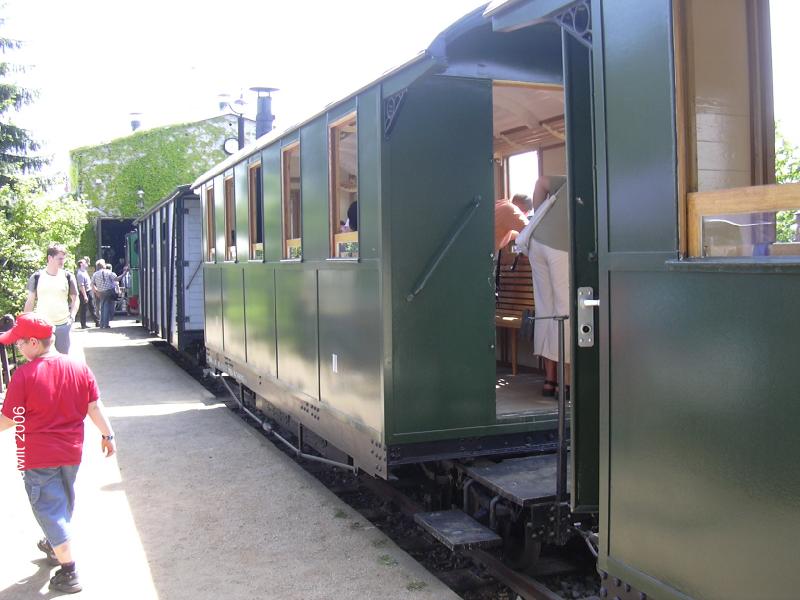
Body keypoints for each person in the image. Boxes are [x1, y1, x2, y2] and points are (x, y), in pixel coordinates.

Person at [0, 313, 116, 594]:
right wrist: (108, 434)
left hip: (37, 455)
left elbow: (8, 418)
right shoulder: (79, 368)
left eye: (19, 344)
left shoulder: (25, 376)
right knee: (62, 501)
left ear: (33, 343)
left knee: (48, 508)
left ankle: (69, 570)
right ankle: (55, 544)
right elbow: (94, 407)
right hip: (71, 453)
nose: (18, 350)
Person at [520, 175, 571, 397]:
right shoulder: (599, 181)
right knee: (565, 311)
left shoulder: (568, 180)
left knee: (546, 310)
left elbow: (541, 182)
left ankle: (549, 380)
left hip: (537, 242)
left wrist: (539, 217)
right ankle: (565, 382)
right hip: (562, 245)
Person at [23, 243, 79, 354]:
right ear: (50, 258)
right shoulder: (37, 277)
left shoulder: (68, 276)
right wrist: (25, 324)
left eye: (64, 258)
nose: (63, 261)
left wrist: (71, 317)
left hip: (63, 326)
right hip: (42, 326)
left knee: (62, 361)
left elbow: (75, 299)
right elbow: (30, 301)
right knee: (42, 360)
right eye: (60, 259)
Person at [91, 260, 117, 329]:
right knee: (107, 307)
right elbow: (116, 279)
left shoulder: (95, 274)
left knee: (102, 307)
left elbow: (92, 284)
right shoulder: (108, 272)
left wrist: (96, 292)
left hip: (100, 292)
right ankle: (106, 324)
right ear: (103, 265)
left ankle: (101, 324)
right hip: (108, 291)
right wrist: (123, 274)